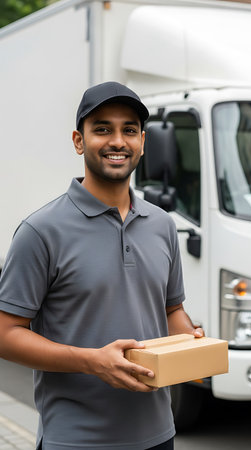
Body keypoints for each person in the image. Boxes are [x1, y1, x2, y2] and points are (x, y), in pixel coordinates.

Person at [0, 81, 204, 450]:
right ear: (79, 141)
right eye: (102, 129)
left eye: (129, 130)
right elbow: (5, 332)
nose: (117, 141)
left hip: (160, 435)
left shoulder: (161, 225)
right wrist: (92, 361)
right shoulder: (40, 231)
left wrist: (188, 340)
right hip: (76, 440)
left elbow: (172, 309)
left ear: (143, 142)